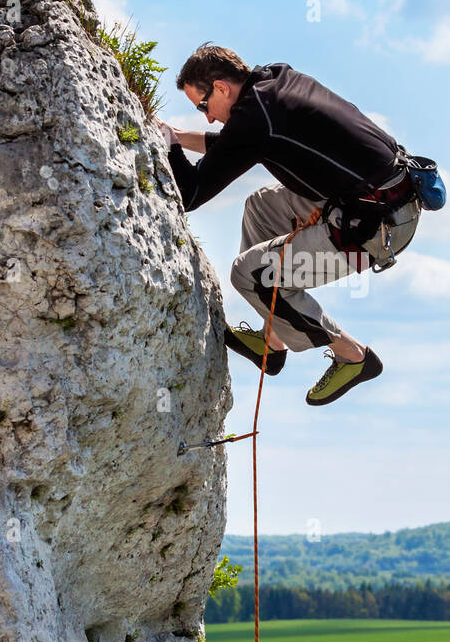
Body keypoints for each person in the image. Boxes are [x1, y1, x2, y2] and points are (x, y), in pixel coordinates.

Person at [160, 44, 420, 406]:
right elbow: (234, 145)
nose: (206, 117)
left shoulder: (255, 119)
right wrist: (176, 135)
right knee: (260, 207)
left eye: (203, 106)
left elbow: (190, 194)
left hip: (373, 229)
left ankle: (353, 356)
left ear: (221, 88)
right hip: (380, 199)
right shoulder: (273, 81)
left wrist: (167, 147)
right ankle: (272, 340)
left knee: (249, 274)